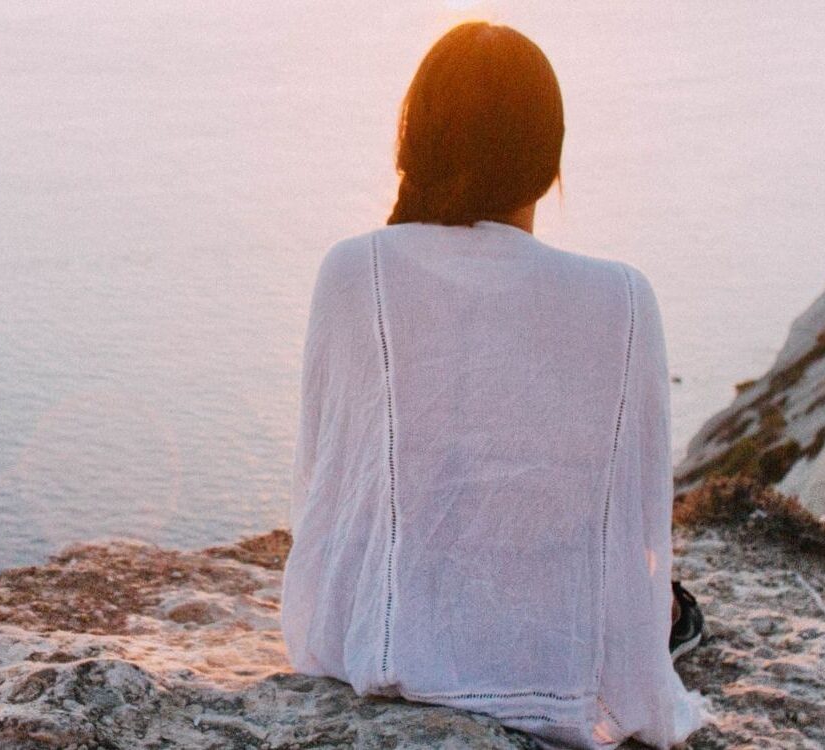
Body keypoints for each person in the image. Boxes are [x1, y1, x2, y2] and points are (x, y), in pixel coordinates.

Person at [280, 22, 708, 749]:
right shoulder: (624, 299)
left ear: (412, 141)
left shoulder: (353, 272)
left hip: (384, 643)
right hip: (555, 651)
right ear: (547, 161)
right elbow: (637, 515)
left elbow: (326, 497)